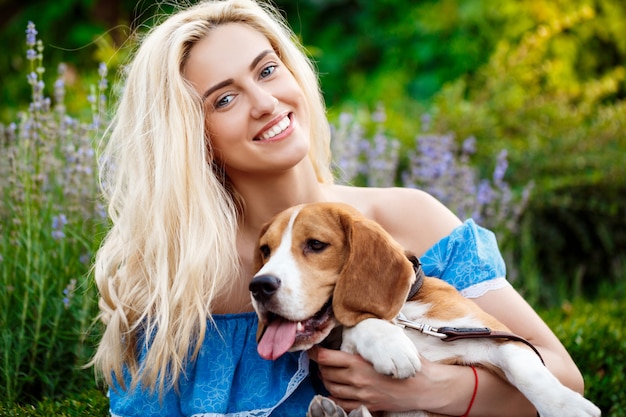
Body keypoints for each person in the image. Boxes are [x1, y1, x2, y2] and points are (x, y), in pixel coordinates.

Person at [92, 0, 586, 416]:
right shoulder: (180, 282)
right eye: (225, 100)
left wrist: (433, 388)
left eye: (267, 70)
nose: (265, 102)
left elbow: (564, 379)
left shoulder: (408, 219)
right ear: (190, 137)